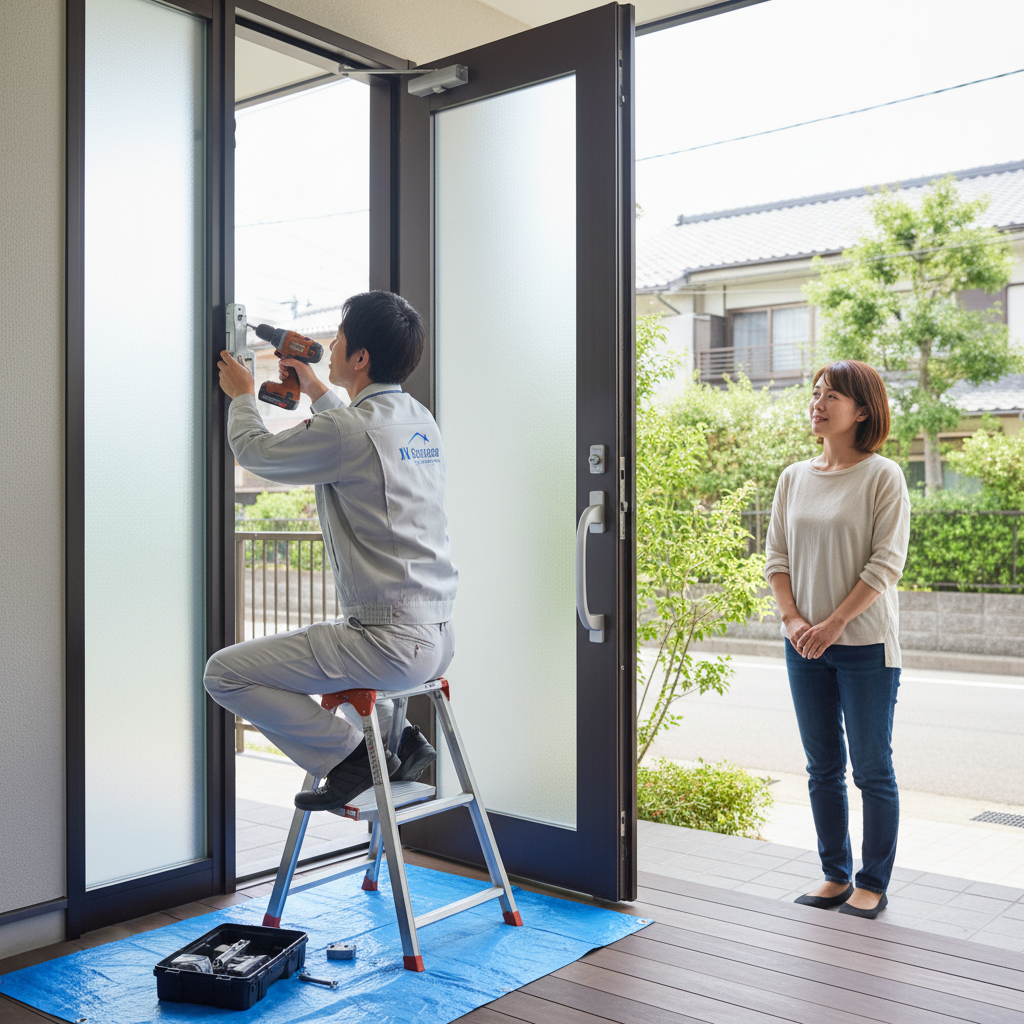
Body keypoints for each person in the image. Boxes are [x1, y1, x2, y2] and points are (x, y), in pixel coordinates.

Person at [206, 290, 457, 812]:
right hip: (437, 636)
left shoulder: (348, 430)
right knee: (338, 648)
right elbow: (361, 434)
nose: (333, 345)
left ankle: (353, 758)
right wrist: (318, 388)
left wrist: (242, 395)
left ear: (360, 357)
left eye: (340, 339)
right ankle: (402, 741)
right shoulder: (418, 418)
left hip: (387, 643)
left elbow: (255, 451)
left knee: (224, 673)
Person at [765, 360, 910, 920]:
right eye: (816, 393)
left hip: (866, 646)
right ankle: (834, 874)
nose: (817, 404)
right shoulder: (793, 478)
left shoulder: (883, 475)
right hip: (803, 644)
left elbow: (886, 563)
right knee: (821, 765)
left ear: (863, 411)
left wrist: (835, 624)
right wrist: (795, 621)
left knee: (871, 767)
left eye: (832, 397)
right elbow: (776, 557)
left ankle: (873, 881)